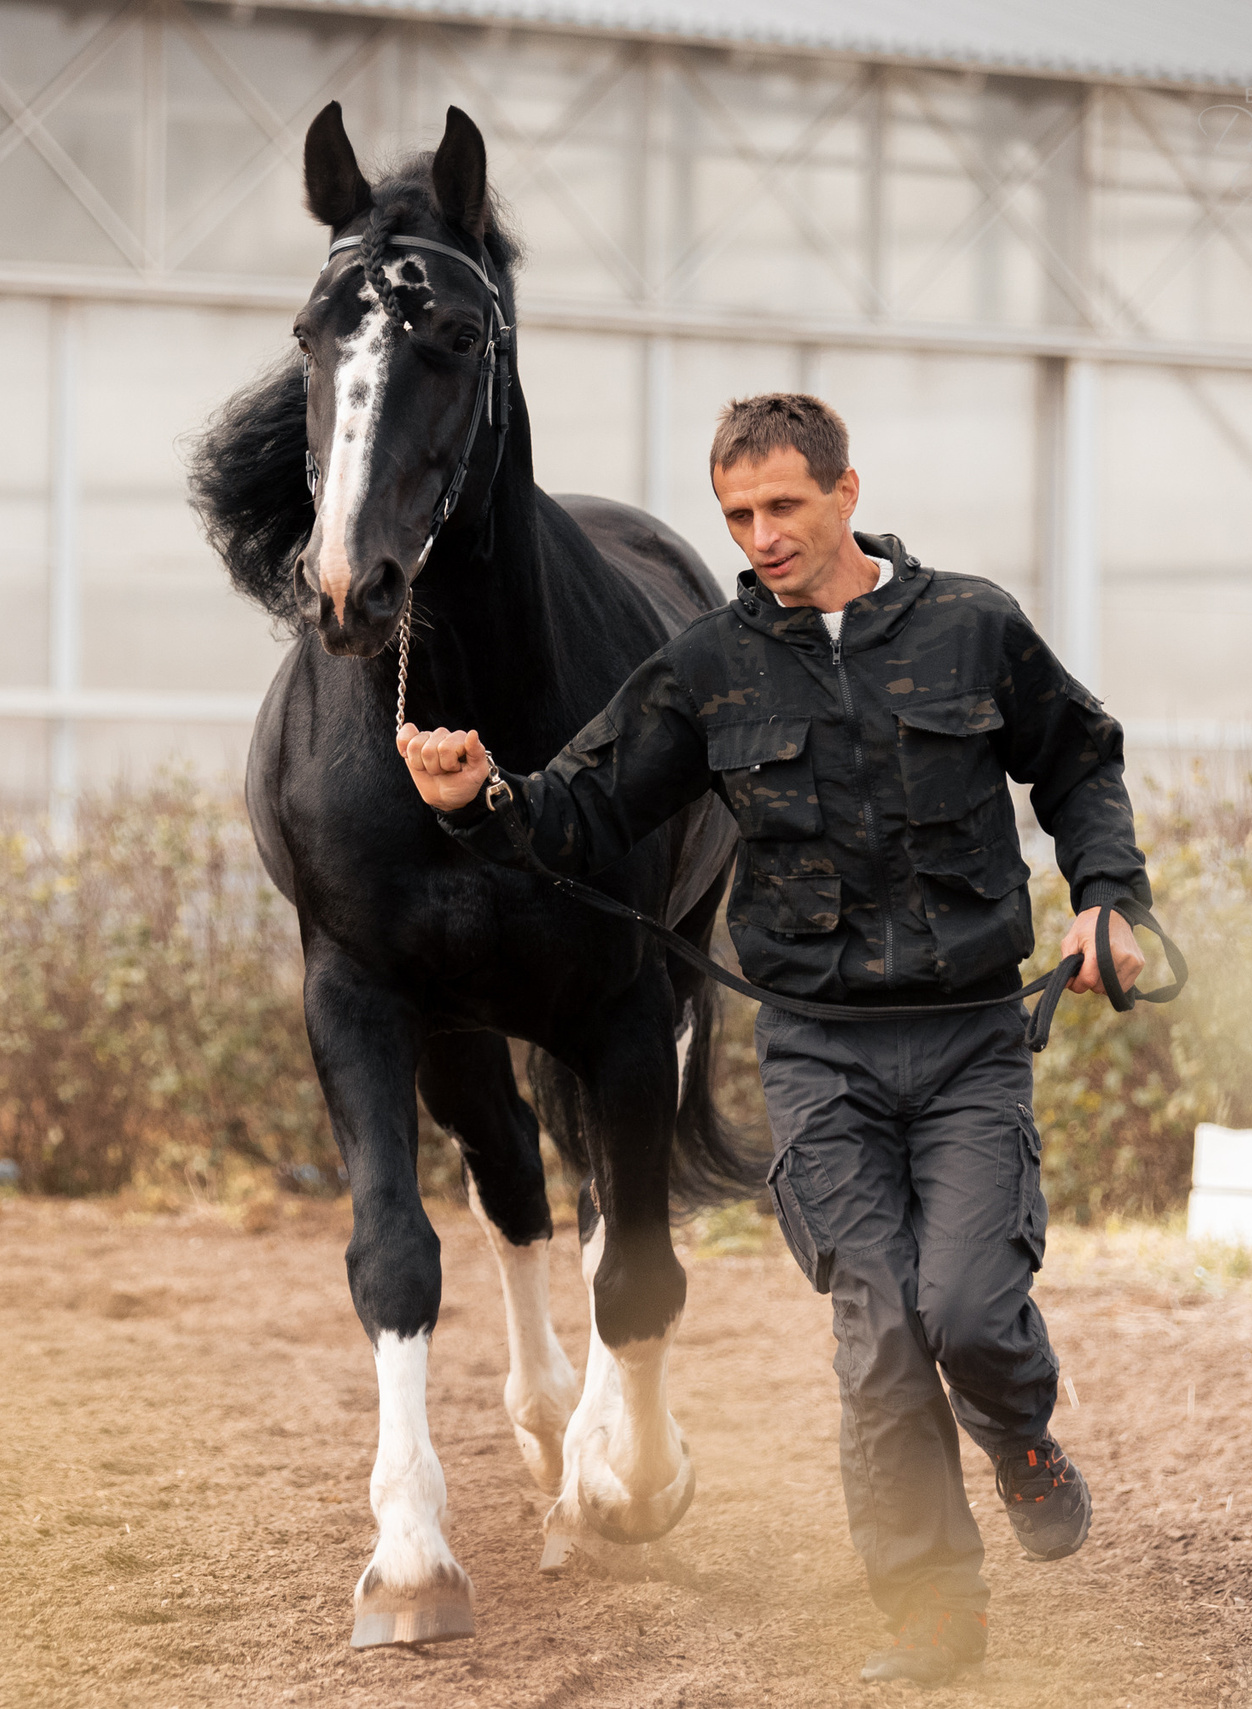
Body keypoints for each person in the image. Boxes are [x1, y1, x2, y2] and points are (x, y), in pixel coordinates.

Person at [396, 394, 1150, 1687]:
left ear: (848, 491)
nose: (762, 538)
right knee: (877, 1335)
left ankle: (1022, 1439)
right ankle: (928, 1612)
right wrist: (487, 803)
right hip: (819, 1054)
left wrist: (1107, 898)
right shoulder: (712, 666)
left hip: (970, 1042)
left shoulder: (972, 628)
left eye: (784, 508)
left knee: (966, 1308)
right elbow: (586, 804)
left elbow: (1078, 757)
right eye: (739, 516)